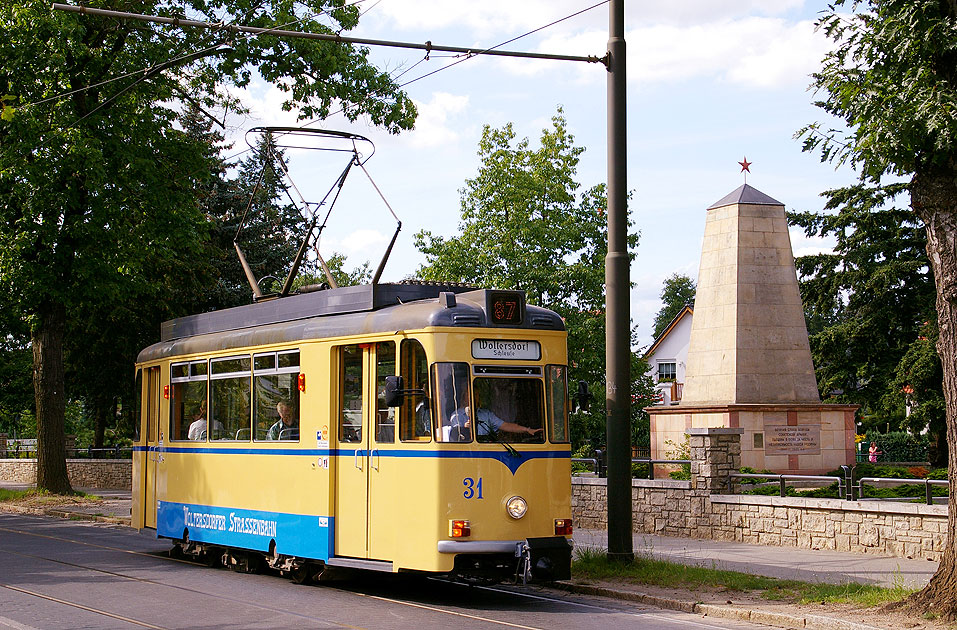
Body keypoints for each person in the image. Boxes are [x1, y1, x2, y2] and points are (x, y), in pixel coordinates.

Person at [447, 405, 541, 441]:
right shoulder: (457, 415)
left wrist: (527, 430)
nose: (475, 397)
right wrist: (465, 428)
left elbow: (505, 425)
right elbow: (456, 435)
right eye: (472, 394)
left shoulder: (486, 414)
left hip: (486, 450)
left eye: (476, 394)